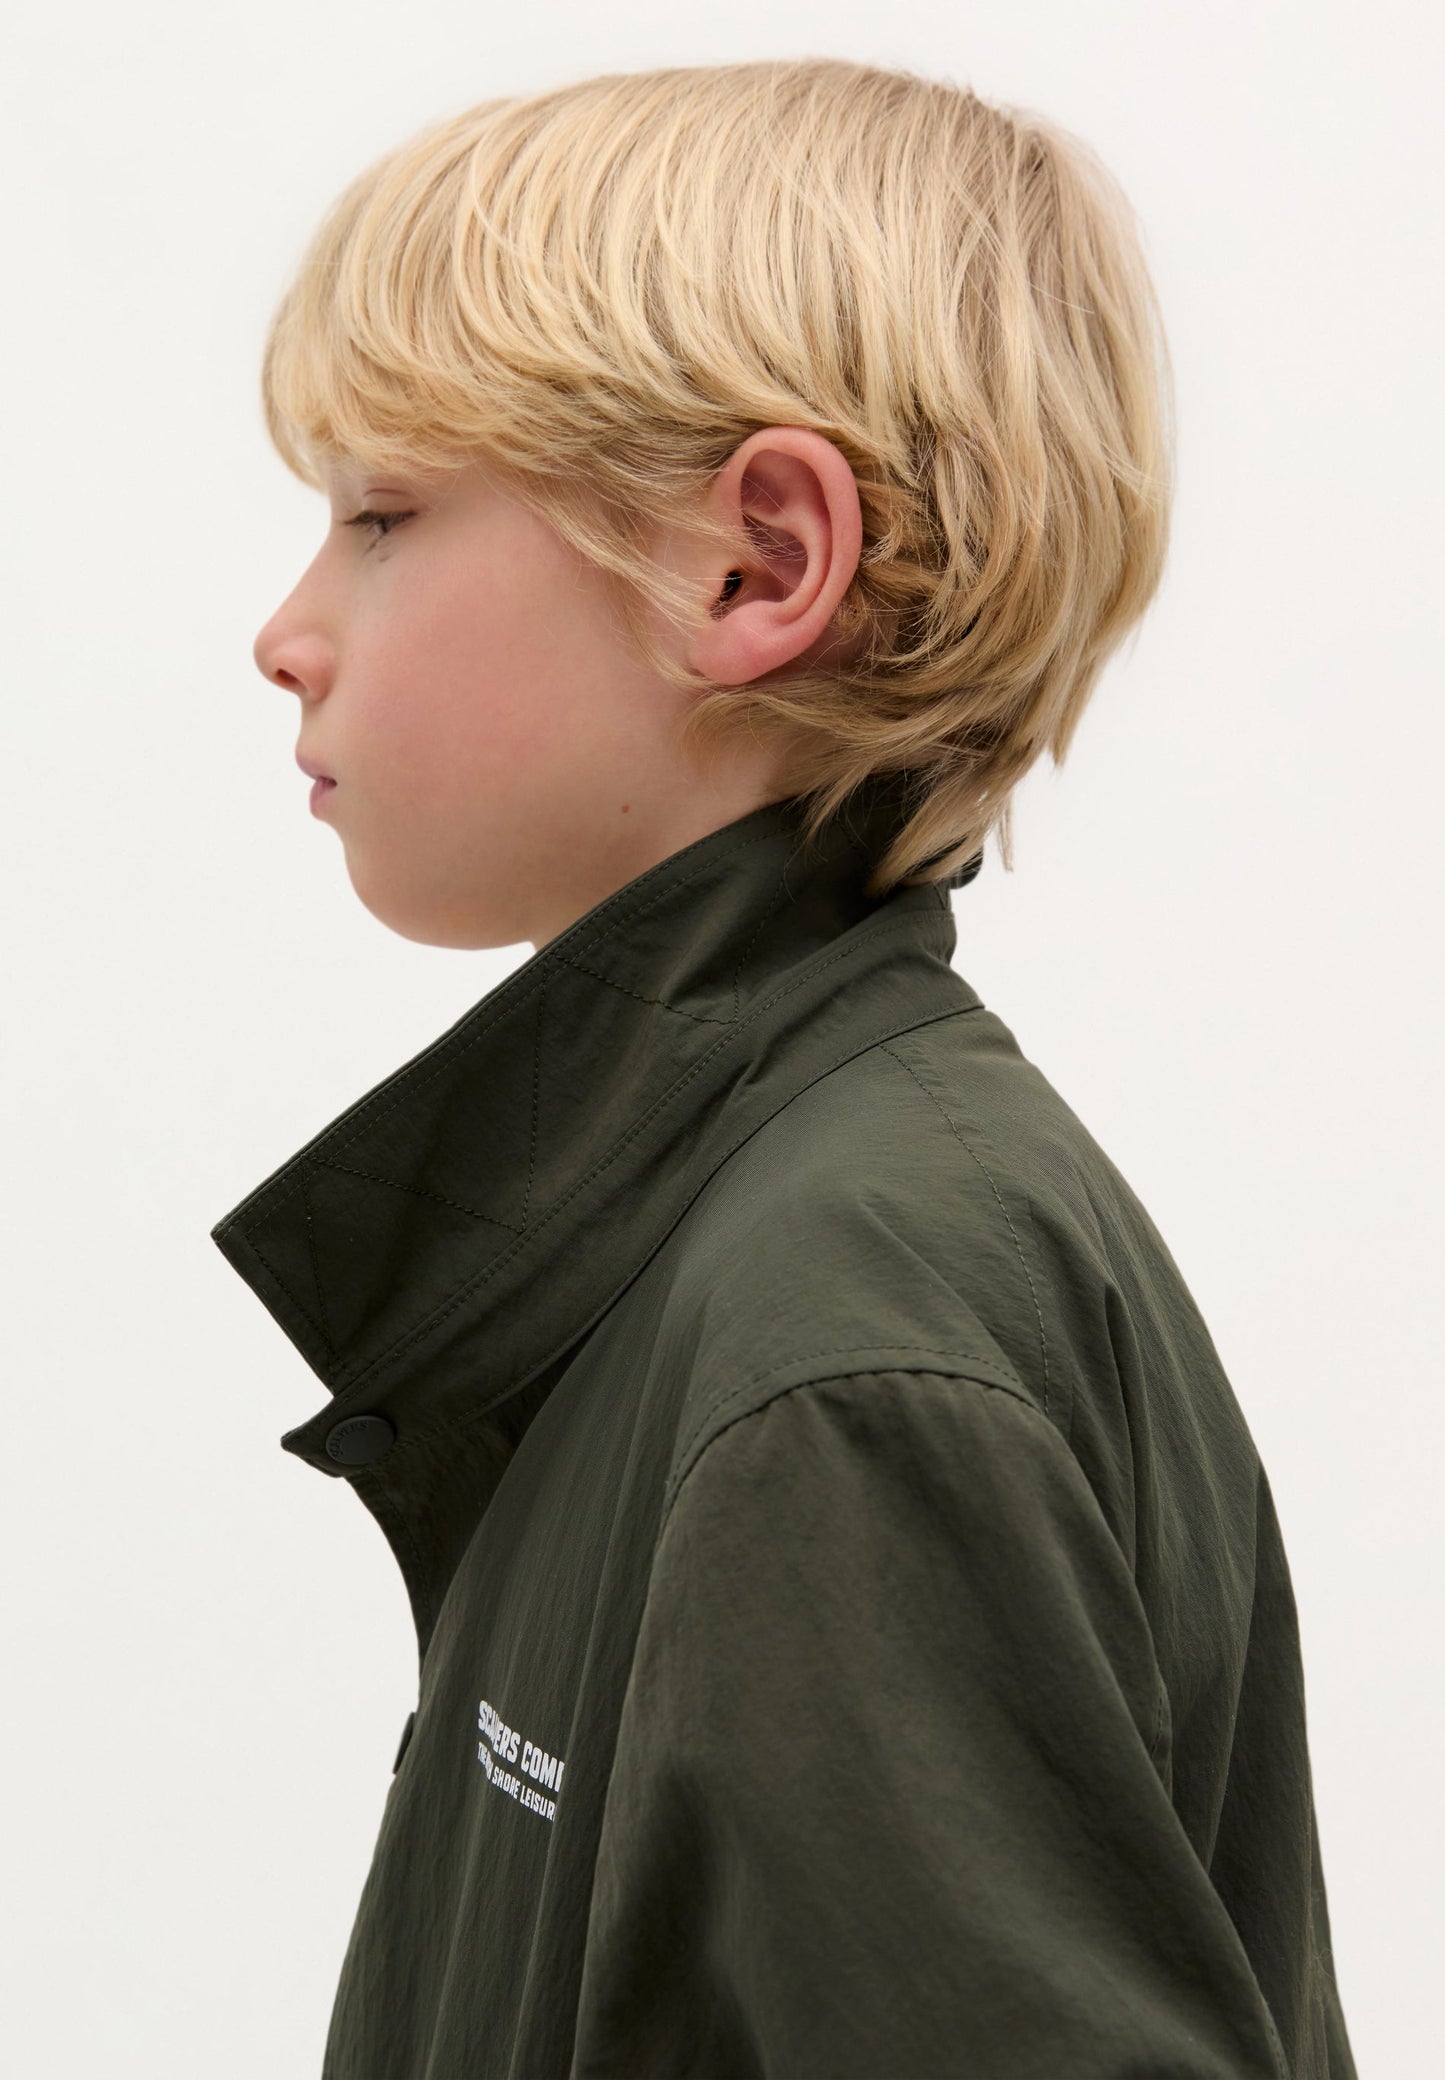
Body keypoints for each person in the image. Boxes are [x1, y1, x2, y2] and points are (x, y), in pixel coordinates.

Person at [213, 57, 1357, 2079]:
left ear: (753, 565)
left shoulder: (839, 1334)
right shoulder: (727, 1238)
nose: (284, 633)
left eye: (382, 516)